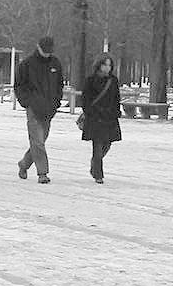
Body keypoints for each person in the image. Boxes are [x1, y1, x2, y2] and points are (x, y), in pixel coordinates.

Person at [12, 35, 66, 184]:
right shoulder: (27, 64)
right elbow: (19, 86)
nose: (47, 53)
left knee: (40, 141)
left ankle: (24, 164)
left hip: (49, 109)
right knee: (38, 142)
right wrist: (27, 102)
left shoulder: (56, 63)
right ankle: (43, 172)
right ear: (38, 47)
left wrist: (56, 102)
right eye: (45, 50)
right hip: (33, 108)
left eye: (50, 50)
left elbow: (59, 85)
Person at [79, 52, 123, 183]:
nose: (107, 68)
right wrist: (91, 112)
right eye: (105, 64)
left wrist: (116, 112)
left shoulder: (113, 80)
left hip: (109, 117)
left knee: (107, 144)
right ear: (99, 65)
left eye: (109, 65)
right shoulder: (91, 80)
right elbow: (85, 99)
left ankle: (94, 165)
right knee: (97, 146)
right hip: (95, 118)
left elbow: (116, 98)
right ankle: (98, 174)